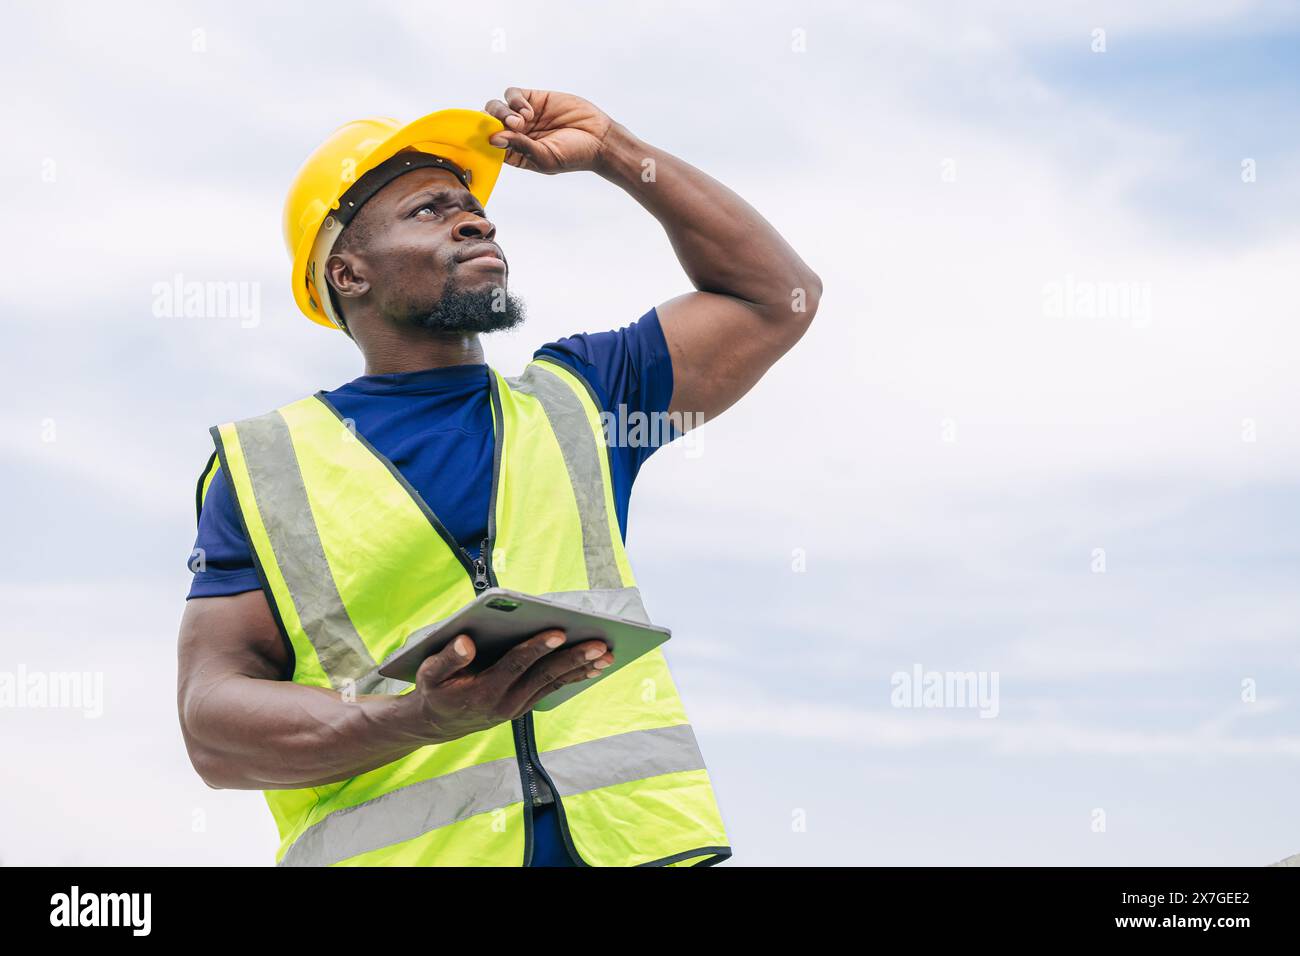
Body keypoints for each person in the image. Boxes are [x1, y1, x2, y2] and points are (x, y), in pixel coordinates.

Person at [177, 87, 821, 866]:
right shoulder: (263, 466)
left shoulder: (584, 396)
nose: (475, 219)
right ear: (348, 273)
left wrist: (616, 151)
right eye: (428, 211)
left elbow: (775, 297)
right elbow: (213, 724)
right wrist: (416, 718)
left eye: (472, 207)